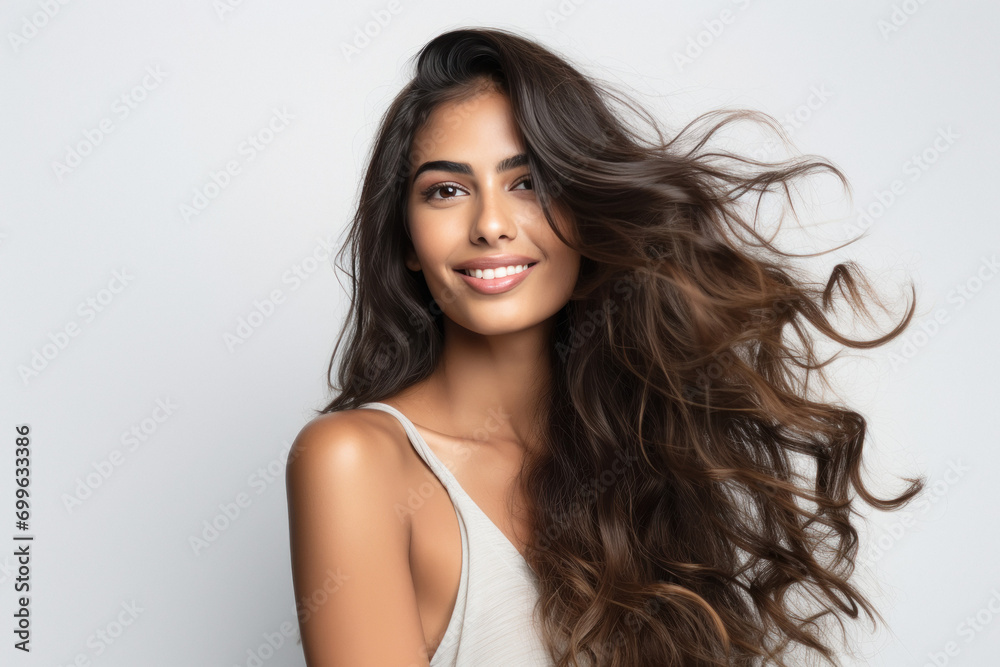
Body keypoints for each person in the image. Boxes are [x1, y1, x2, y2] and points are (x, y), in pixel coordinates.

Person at [284, 26, 925, 667]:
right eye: (446, 191)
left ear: (589, 213)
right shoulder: (355, 462)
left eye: (528, 181)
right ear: (406, 241)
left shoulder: (640, 454)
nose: (490, 225)